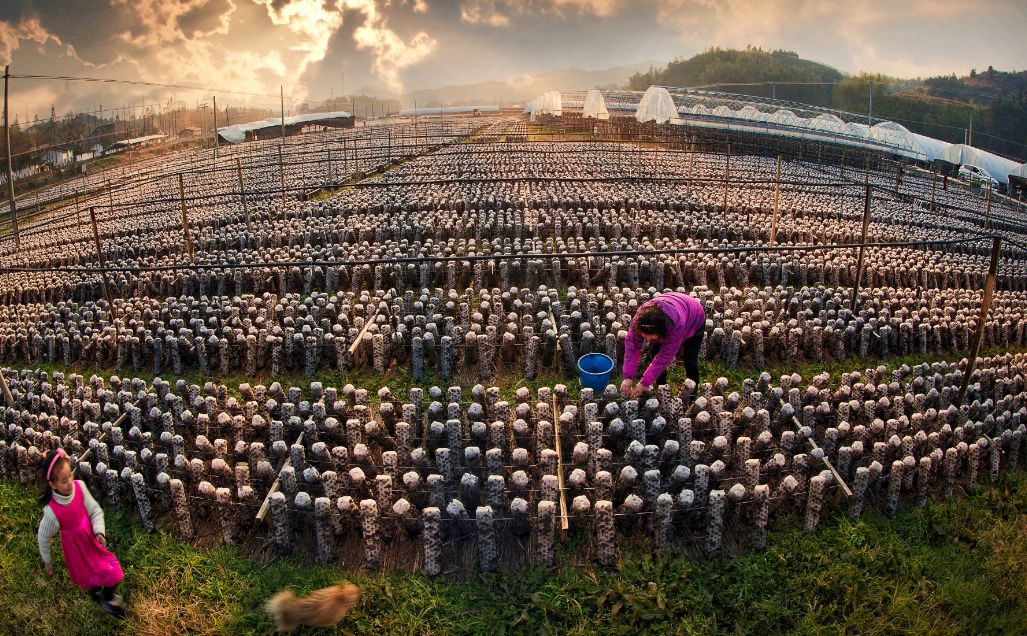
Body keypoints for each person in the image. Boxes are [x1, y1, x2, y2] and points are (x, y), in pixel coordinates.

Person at [37, 448, 126, 619]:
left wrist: (99, 531)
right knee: (90, 574)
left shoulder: (80, 487)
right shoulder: (52, 512)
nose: (70, 482)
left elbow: (95, 511)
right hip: (76, 550)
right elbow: (43, 537)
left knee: (112, 573)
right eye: (64, 481)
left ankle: (107, 597)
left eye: (70, 475)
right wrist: (47, 560)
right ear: (53, 485)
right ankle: (102, 597)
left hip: (91, 540)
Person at [620, 292, 706, 399]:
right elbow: (632, 348)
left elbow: (664, 357)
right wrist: (628, 377)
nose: (646, 340)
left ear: (662, 333)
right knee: (654, 353)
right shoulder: (639, 320)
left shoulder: (675, 327)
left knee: (690, 360)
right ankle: (661, 387)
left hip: (695, 315)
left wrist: (644, 382)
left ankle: (693, 392)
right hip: (674, 303)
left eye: (651, 338)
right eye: (644, 337)